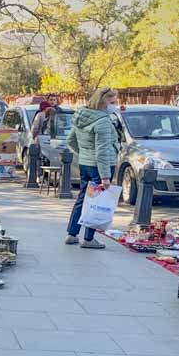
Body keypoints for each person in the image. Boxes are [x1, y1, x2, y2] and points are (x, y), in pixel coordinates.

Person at [65, 87, 120, 249]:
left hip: (85, 164)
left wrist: (83, 154)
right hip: (100, 166)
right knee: (97, 201)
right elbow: (102, 151)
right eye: (112, 102)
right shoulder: (102, 121)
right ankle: (89, 239)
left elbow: (71, 140)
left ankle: (72, 233)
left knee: (83, 198)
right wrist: (105, 177)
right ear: (103, 101)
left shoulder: (82, 116)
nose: (114, 105)